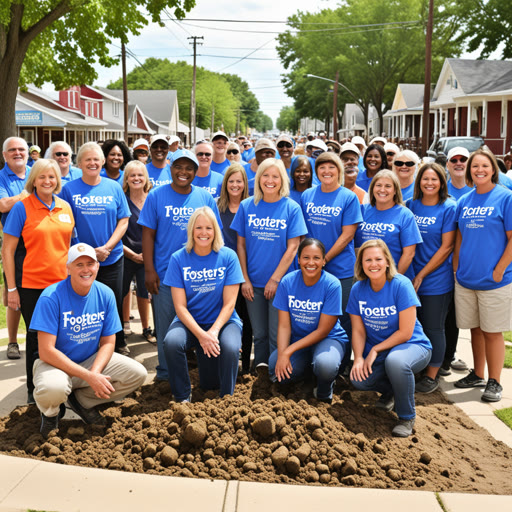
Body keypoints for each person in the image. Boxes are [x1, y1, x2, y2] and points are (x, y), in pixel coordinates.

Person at [31, 243, 147, 438]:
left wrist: (94, 373)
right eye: (79, 264)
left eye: (90, 264)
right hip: (54, 364)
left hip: (89, 360)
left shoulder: (105, 294)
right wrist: (89, 377)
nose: (86, 269)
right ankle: (50, 414)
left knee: (137, 374)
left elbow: (109, 342)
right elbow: (46, 351)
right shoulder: (51, 297)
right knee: (54, 388)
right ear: (67, 268)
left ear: (97, 267)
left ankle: (83, 402)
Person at [139, 149, 221, 381]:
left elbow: (215, 237)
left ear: (196, 171)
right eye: (178, 167)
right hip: (165, 274)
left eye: (189, 168)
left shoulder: (204, 198)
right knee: (166, 328)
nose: (183, 172)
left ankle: (201, 371)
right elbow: (148, 235)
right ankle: (166, 373)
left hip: (200, 277)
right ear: (170, 168)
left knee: (200, 323)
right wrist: (149, 269)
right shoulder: (156, 196)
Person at [2, 159, 75, 403]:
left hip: (62, 285)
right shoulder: (22, 208)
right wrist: (12, 288)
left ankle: (63, 384)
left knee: (62, 337)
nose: (47, 181)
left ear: (58, 180)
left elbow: (69, 246)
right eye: (42, 177)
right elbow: (8, 251)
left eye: (52, 177)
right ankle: (34, 393)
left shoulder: (65, 206)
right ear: (33, 180)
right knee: (37, 339)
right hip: (32, 286)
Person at [348, 239, 432, 437]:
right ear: (361, 264)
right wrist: (359, 357)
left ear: (387, 261)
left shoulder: (401, 285)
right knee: (358, 379)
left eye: (378, 258)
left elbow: (406, 332)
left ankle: (406, 416)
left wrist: (375, 350)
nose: (373, 264)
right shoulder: (357, 290)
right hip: (383, 349)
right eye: (368, 260)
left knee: (396, 362)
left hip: (412, 345)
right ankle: (393, 391)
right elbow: (358, 330)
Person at [231, 158, 307, 368]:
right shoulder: (247, 206)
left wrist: (275, 280)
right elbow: (241, 246)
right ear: (258, 179)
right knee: (260, 334)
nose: (270, 180)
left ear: (282, 179)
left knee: (277, 335)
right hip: (253, 284)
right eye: (265, 175)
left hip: (281, 284)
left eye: (275, 176)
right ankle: (261, 375)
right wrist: (244, 279)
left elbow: (293, 248)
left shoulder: (291, 208)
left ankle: (277, 376)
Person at [163, 207, 244, 401]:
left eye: (209, 228)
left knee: (231, 348)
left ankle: (227, 398)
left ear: (215, 230)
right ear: (191, 230)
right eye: (199, 227)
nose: (204, 233)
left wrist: (213, 333)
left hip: (224, 322)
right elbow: (180, 307)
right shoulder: (178, 258)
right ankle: (182, 396)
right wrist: (201, 335)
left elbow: (229, 304)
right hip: (190, 322)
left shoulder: (228, 256)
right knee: (171, 342)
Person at [452, 148, 512, 402]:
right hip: (466, 279)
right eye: (474, 166)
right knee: (475, 329)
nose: (479, 170)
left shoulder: (505, 198)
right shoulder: (464, 201)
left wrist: (499, 269)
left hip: (494, 280)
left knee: (492, 331)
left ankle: (495, 381)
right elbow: (459, 238)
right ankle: (477, 373)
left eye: (484, 166)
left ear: (493, 169)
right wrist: (456, 268)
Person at [60, 142, 131, 355]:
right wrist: (88, 252)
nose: (92, 163)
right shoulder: (68, 190)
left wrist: (107, 248)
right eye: (87, 159)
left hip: (112, 257)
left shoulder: (114, 187)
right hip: (81, 261)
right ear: (79, 163)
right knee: (83, 304)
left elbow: (124, 220)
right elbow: (65, 223)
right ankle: (86, 346)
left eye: (96, 159)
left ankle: (117, 343)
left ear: (102, 162)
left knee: (113, 302)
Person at [269, 238, 349, 402]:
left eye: (316, 258)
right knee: (275, 367)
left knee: (325, 366)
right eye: (306, 257)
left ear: (323, 261)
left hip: (328, 339)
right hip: (299, 339)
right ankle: (308, 379)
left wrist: (289, 351)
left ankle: (324, 390)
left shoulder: (332, 285)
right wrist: (283, 354)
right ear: (298, 260)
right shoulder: (287, 282)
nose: (310, 262)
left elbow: (323, 331)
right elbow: (284, 326)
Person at [407, 163, 457, 393]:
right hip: (411, 278)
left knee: (434, 327)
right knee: (413, 327)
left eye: (434, 179)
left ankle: (432, 375)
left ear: (441, 182)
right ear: (419, 182)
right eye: (425, 179)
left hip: (436, 279)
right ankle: (416, 367)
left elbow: (447, 248)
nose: (429, 183)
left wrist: (422, 274)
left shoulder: (449, 207)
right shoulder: (411, 205)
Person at [300, 152, 362, 337]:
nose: (326, 171)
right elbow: (303, 232)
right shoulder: (307, 195)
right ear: (316, 171)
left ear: (339, 170)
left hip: (341, 268)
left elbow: (348, 235)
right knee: (314, 316)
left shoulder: (348, 197)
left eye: (331, 167)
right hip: (311, 268)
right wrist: (312, 261)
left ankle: (343, 364)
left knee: (341, 318)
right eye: (322, 167)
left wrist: (324, 259)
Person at [217, 163, 252, 374]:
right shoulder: (217, 207)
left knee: (246, 320)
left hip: (245, 271)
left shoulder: (251, 206)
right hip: (222, 274)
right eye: (231, 181)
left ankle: (245, 365)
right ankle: (225, 362)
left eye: (239, 181)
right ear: (225, 184)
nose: (235, 185)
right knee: (225, 318)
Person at [355, 170, 422, 279]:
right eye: (378, 185)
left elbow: (409, 254)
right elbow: (356, 247)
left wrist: (394, 279)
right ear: (372, 188)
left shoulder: (405, 214)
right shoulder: (362, 210)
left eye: (388, 186)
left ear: (395, 190)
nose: (382, 190)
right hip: (366, 278)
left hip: (394, 278)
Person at [0, 137, 30, 360]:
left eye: (21, 149)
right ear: (5, 155)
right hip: (15, 243)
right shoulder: (1, 177)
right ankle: (12, 342)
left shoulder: (35, 171)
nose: (17, 153)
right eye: (12, 150)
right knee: (13, 295)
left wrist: (17, 199)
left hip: (39, 240)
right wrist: (28, 195)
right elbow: (2, 205)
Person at [120, 160, 156, 344]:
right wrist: (132, 255)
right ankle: (120, 332)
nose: (136, 178)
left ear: (146, 178)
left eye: (140, 175)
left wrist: (147, 256)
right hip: (125, 255)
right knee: (122, 292)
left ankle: (146, 328)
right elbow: (115, 233)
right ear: (126, 178)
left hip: (148, 257)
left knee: (145, 292)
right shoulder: (121, 199)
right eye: (132, 175)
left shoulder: (153, 198)